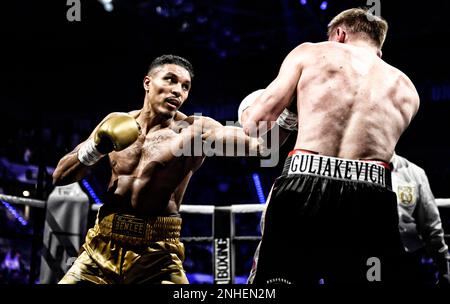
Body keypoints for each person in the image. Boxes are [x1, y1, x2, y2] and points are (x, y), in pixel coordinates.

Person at [242, 8, 420, 284]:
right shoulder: (407, 88)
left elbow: (257, 123)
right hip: (372, 196)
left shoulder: (311, 52)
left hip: (305, 182)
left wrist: (289, 114)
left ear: (339, 34)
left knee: (278, 283)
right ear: (379, 49)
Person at [53, 54, 266, 284]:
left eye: (185, 87)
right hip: (100, 247)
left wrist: (285, 112)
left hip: (158, 256)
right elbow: (60, 176)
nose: (178, 91)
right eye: (171, 80)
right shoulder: (114, 121)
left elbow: (261, 145)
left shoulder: (193, 131)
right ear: (147, 83)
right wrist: (95, 148)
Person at [391, 153, 450, 284]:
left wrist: (444, 267)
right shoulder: (353, 170)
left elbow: (432, 227)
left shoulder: (414, 173)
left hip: (408, 259)